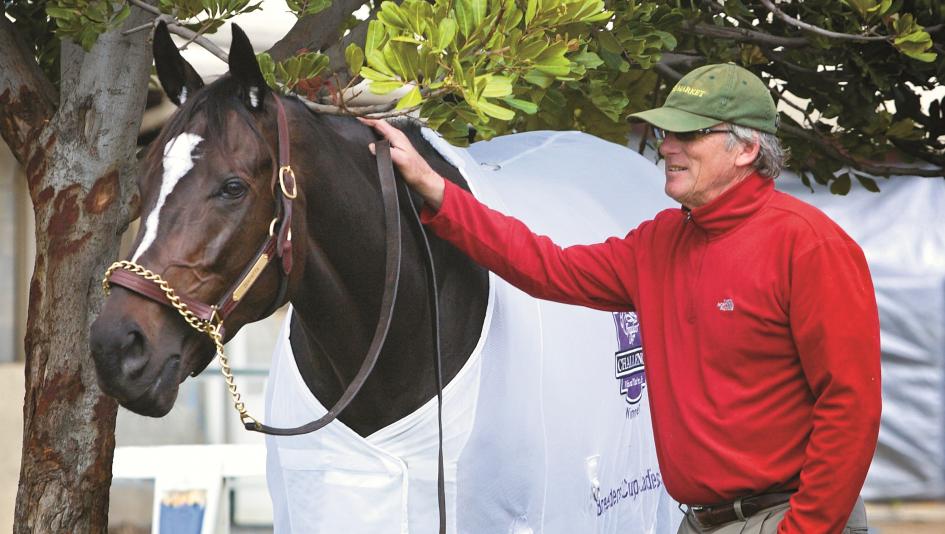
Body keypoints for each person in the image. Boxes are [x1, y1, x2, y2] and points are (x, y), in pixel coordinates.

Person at [360, 63, 881, 534]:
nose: (667, 145)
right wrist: (434, 185)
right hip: (704, 522)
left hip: (788, 519)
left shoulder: (810, 246)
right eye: (665, 131)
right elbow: (548, 267)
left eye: (689, 133)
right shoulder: (661, 240)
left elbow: (851, 405)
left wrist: (805, 530)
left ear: (746, 149)